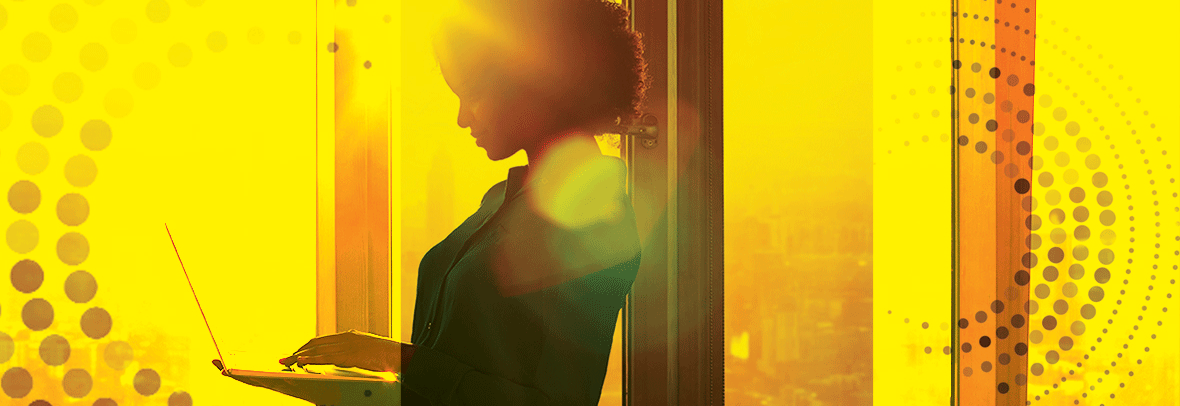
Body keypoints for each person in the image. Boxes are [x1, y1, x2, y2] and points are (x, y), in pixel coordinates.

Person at [280, 0, 649, 404]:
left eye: (472, 95)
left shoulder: (595, 220)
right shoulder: (501, 200)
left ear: (532, 84)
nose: (461, 117)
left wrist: (394, 358)